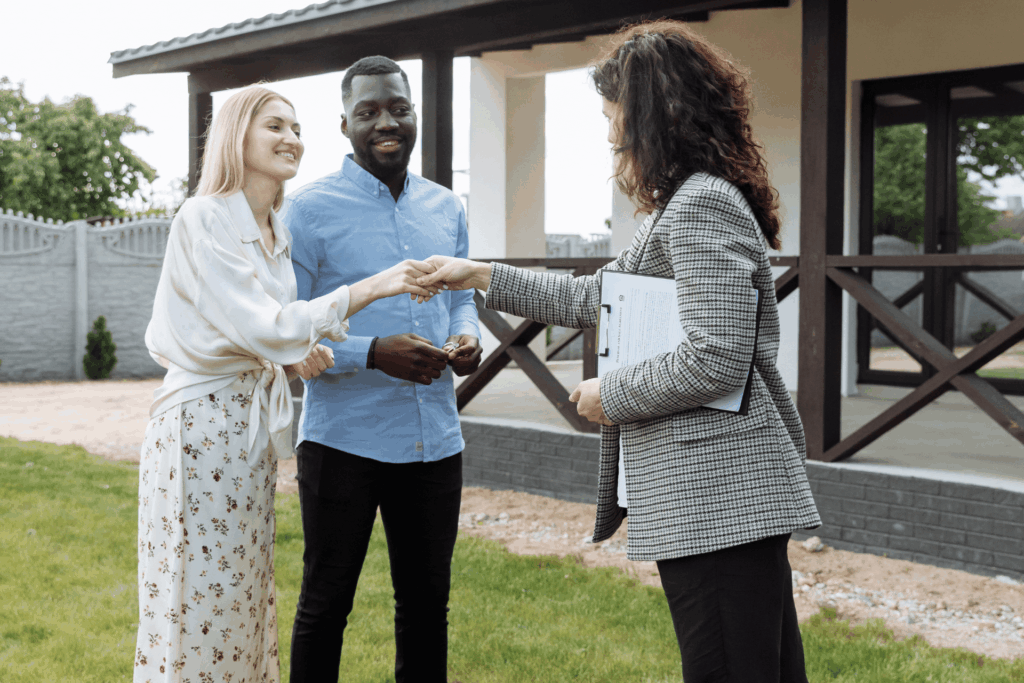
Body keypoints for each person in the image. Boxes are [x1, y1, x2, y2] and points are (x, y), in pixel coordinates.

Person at [419, 21, 821, 683]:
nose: (611, 134)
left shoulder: (699, 207)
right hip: (719, 499)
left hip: (714, 498)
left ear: (656, 115)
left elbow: (715, 356)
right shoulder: (687, 205)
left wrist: (610, 395)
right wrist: (480, 273)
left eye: (615, 115)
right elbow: (594, 297)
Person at [135, 85, 438, 683]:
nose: (292, 139)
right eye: (275, 126)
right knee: (196, 597)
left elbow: (267, 335)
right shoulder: (204, 217)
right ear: (236, 135)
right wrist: (371, 287)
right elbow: (265, 324)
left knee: (244, 596)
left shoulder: (273, 228)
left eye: (297, 128)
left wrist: (298, 357)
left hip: (245, 432)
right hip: (199, 429)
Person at [282, 56, 481, 683]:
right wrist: (372, 352)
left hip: (435, 443)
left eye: (398, 107)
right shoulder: (306, 212)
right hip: (343, 441)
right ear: (343, 124)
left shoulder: (446, 207)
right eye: (368, 112)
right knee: (325, 605)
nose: (385, 122)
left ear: (414, 114)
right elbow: (289, 330)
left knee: (426, 608)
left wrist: (464, 336)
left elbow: (462, 297)